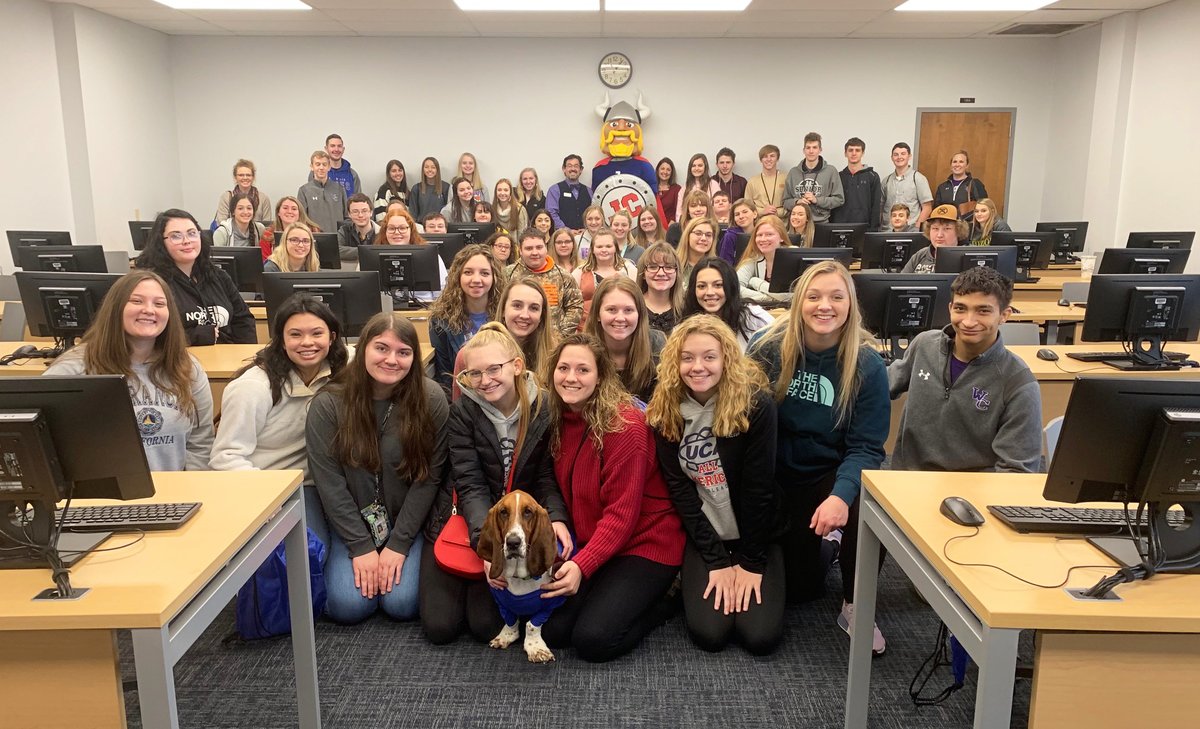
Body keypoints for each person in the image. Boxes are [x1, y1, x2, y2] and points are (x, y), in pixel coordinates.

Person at [747, 260, 890, 652]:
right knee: (801, 591)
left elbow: (866, 447)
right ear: (799, 303)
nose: (824, 306)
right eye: (813, 296)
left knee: (868, 498)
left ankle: (856, 604)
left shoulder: (867, 366)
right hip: (774, 478)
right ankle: (829, 549)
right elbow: (742, 421)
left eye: (835, 297)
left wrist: (840, 496)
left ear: (850, 304)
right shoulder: (767, 348)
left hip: (826, 477)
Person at [421, 322, 572, 644]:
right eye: (474, 374)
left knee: (485, 625)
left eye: (494, 369)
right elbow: (471, 484)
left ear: (517, 366)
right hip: (477, 524)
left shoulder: (544, 407)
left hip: (523, 523)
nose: (485, 381)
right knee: (441, 627)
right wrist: (485, 546)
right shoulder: (462, 412)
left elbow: (547, 476)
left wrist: (556, 516)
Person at [539, 334, 685, 663]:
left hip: (646, 542)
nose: (571, 377)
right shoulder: (561, 419)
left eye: (583, 370)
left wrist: (582, 565)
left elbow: (622, 516)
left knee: (594, 640)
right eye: (563, 368)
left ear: (601, 375)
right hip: (598, 540)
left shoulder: (625, 427)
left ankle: (668, 600)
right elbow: (548, 478)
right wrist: (558, 519)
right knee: (554, 632)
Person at [646, 315, 784, 655]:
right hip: (706, 535)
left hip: (756, 534)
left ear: (726, 358)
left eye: (709, 356)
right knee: (710, 635)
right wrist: (718, 560)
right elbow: (681, 494)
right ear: (674, 361)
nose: (698, 367)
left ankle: (822, 553)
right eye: (687, 357)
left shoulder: (755, 405)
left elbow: (758, 490)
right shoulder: (666, 411)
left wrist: (751, 562)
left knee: (759, 638)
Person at [305, 313, 448, 624]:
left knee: (402, 604)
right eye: (381, 348)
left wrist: (399, 543)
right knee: (348, 606)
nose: (392, 360)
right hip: (352, 523)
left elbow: (429, 477)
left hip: (405, 523)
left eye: (403, 352)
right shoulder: (329, 403)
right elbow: (329, 484)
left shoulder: (431, 398)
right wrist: (360, 547)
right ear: (363, 349)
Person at [211, 293, 350, 549]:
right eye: (295, 334)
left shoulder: (343, 368)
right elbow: (225, 458)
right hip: (269, 487)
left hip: (319, 484)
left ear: (332, 337)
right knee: (307, 553)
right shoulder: (253, 387)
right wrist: (270, 496)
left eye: (317, 334)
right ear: (281, 342)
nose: (307, 343)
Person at [45, 269, 214, 471]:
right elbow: (42, 441)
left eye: (159, 304)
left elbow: (201, 442)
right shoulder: (74, 368)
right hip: (103, 497)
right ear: (116, 309)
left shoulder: (187, 368)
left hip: (178, 495)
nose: (149, 310)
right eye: (137, 301)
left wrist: (192, 488)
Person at [888, 265, 1042, 474]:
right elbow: (881, 385)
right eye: (961, 308)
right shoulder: (924, 345)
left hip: (970, 494)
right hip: (907, 480)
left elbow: (1017, 472)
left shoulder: (1018, 382)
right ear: (950, 308)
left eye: (983, 311)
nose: (969, 321)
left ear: (1004, 315)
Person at [134, 208, 256, 345]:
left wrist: (244, 357)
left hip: (228, 359)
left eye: (192, 233)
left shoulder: (219, 276)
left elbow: (243, 319)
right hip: (180, 362)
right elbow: (150, 334)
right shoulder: (153, 283)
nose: (186, 241)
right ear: (161, 242)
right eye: (176, 236)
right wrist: (196, 336)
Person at [450, 275, 558, 401]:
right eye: (517, 305)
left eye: (534, 308)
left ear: (541, 317)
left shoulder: (553, 355)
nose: (524, 315)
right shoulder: (469, 355)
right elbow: (459, 408)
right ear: (503, 310)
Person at [428, 244, 502, 393]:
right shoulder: (441, 321)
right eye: (468, 272)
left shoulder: (506, 315)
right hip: (462, 398)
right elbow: (445, 377)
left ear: (494, 278)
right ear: (457, 276)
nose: (476, 279)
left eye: (484, 273)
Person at [583, 276, 665, 403]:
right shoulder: (583, 350)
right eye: (611, 310)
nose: (620, 318)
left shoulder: (657, 345)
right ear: (598, 314)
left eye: (628, 310)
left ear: (639, 314)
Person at [506, 228, 584, 338]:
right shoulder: (508, 274)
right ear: (520, 250)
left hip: (551, 341)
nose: (534, 252)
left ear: (546, 248)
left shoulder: (563, 276)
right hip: (517, 338)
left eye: (539, 247)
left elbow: (575, 306)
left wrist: (560, 336)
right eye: (529, 248)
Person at [681, 257, 772, 351]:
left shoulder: (754, 318)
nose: (709, 292)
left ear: (730, 286)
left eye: (718, 285)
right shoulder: (684, 326)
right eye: (701, 286)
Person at [374, 209, 446, 301]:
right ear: (385, 231)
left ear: (411, 230)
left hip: (423, 312)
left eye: (402, 228)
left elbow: (443, 294)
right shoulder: (373, 255)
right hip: (386, 312)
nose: (397, 232)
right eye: (391, 228)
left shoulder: (432, 256)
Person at [574, 227, 637, 326]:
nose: (604, 250)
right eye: (599, 247)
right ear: (593, 249)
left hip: (619, 326)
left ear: (615, 248)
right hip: (586, 328)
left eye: (608, 246)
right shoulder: (579, 272)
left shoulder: (629, 269)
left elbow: (637, 300)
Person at [783, 132, 844, 224]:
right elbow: (785, 202)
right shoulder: (793, 172)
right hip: (798, 224)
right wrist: (797, 201)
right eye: (808, 148)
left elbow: (839, 199)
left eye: (814, 147)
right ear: (803, 150)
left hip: (821, 222)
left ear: (820, 150)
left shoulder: (831, 171)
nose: (811, 151)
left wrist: (817, 200)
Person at [736, 216, 793, 304]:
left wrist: (755, 282)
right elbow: (735, 287)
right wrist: (766, 299)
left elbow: (791, 296)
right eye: (759, 235)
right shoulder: (754, 257)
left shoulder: (792, 256)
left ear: (781, 237)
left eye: (769, 234)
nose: (763, 239)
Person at [831, 137, 882, 230]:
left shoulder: (872, 176)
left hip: (864, 229)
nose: (854, 153)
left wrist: (873, 229)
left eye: (857, 150)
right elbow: (832, 204)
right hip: (840, 228)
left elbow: (876, 207)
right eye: (850, 150)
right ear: (845, 153)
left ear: (863, 153)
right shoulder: (838, 177)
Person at [881, 142, 933, 230]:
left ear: (909, 156)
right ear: (892, 158)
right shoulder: (886, 181)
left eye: (903, 154)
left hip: (910, 230)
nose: (899, 157)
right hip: (888, 230)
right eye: (896, 154)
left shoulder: (918, 179)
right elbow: (881, 207)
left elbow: (927, 207)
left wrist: (917, 227)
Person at [901, 203, 966, 273]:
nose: (939, 235)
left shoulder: (967, 258)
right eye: (935, 228)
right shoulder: (920, 256)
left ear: (959, 231)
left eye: (947, 228)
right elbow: (900, 283)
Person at [298, 150, 348, 235]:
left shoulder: (339, 189)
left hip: (337, 238)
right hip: (314, 238)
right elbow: (301, 219)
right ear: (312, 167)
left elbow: (346, 216)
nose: (321, 168)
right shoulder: (304, 191)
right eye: (317, 164)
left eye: (324, 164)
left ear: (329, 167)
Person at [638, 242, 682, 333]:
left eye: (668, 267)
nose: (661, 273)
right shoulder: (633, 306)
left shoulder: (686, 309)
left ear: (677, 273)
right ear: (643, 273)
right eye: (653, 267)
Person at [934, 150, 988, 221]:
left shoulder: (975, 184)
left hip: (968, 227)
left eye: (961, 162)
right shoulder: (942, 187)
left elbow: (984, 207)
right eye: (955, 162)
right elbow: (936, 210)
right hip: (947, 226)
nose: (957, 164)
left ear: (967, 165)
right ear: (951, 165)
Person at [214, 159, 272, 226]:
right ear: (235, 177)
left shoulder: (263, 198)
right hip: (231, 235)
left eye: (248, 175)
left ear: (253, 177)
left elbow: (266, 225)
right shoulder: (227, 197)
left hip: (257, 235)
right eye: (241, 175)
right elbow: (221, 223)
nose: (245, 178)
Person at [546, 154, 592, 234]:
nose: (573, 169)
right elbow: (551, 213)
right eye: (569, 166)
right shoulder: (554, 190)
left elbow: (594, 214)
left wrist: (587, 230)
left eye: (576, 166)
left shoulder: (589, 191)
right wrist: (566, 230)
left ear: (581, 170)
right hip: (562, 237)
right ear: (564, 169)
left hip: (585, 236)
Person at [309, 133, 362, 198]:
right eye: (332, 146)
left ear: (343, 149)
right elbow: (311, 197)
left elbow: (358, 200)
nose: (336, 149)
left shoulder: (352, 174)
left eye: (339, 146)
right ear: (326, 148)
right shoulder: (316, 173)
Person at [746, 144, 787, 220]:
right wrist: (762, 211)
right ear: (761, 160)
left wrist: (778, 212)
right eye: (765, 156)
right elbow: (747, 206)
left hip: (782, 226)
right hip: (760, 225)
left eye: (772, 156)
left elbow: (791, 203)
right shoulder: (752, 181)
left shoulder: (786, 178)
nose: (769, 159)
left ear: (777, 159)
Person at [676, 217, 718, 283]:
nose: (704, 238)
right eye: (698, 233)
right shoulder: (673, 265)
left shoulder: (718, 268)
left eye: (708, 235)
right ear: (687, 235)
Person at [337, 193, 376, 262]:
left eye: (364, 211)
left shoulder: (382, 231)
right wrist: (365, 252)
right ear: (349, 214)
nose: (360, 215)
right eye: (355, 212)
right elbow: (336, 250)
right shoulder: (344, 230)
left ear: (371, 212)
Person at [410, 157, 451, 223]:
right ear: (423, 170)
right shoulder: (416, 188)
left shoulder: (446, 187)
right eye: (426, 167)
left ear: (437, 169)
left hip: (440, 226)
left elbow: (449, 210)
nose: (430, 170)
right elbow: (413, 213)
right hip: (422, 226)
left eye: (433, 167)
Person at [717, 198, 756, 265]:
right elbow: (725, 264)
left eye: (745, 212)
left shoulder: (761, 234)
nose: (741, 216)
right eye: (737, 214)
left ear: (755, 214)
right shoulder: (730, 236)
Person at [676, 153, 712, 221]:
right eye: (693, 166)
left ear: (705, 167)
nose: (696, 168)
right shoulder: (685, 188)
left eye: (700, 165)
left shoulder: (713, 184)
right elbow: (679, 212)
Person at [655, 157, 681, 224]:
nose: (665, 172)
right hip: (653, 226)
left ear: (672, 172)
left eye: (668, 170)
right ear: (658, 170)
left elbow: (679, 211)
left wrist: (671, 227)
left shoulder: (676, 189)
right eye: (662, 169)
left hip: (670, 227)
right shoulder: (651, 188)